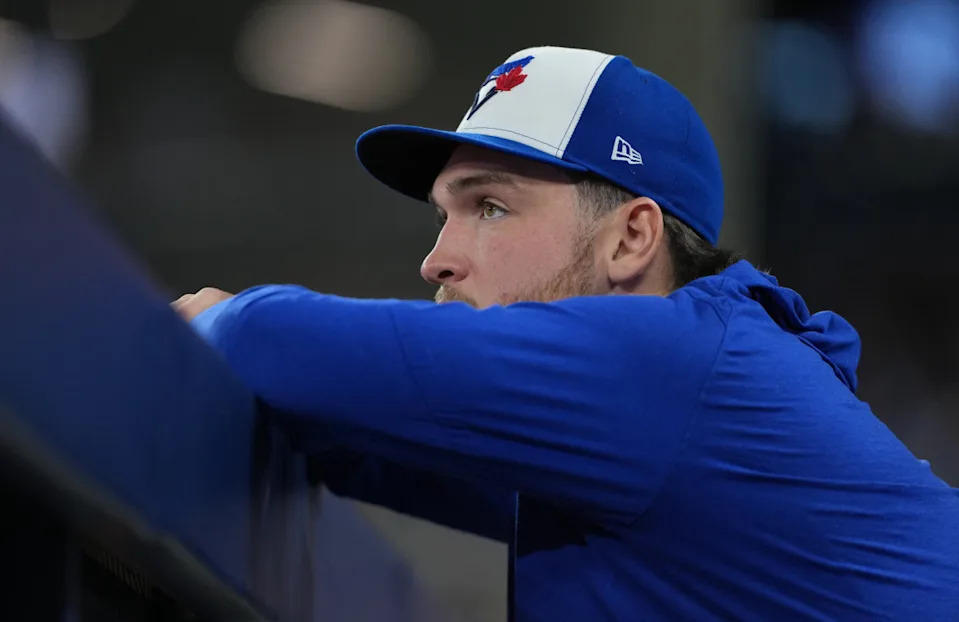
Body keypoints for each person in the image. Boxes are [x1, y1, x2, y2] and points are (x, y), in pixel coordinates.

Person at [173, 46, 959, 621]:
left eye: (489, 207)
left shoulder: (666, 360)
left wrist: (211, 322)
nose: (436, 260)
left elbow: (268, 342)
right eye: (443, 214)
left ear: (629, 241)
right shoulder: (636, 431)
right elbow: (354, 440)